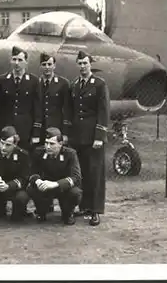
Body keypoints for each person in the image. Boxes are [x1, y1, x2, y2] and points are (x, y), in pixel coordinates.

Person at [69, 50, 110, 226]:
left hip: (94, 136)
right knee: (82, 173)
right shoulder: (75, 85)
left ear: (90, 64)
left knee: (95, 174)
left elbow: (103, 111)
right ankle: (84, 206)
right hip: (78, 137)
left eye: (85, 63)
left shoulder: (99, 84)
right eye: (80, 63)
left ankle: (95, 210)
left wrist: (99, 135)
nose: (83, 66)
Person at [27, 127, 82, 225]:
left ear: (60, 144)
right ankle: (41, 212)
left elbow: (76, 177)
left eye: (52, 144)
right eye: (46, 143)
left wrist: (56, 184)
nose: (48, 147)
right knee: (32, 188)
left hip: (62, 187)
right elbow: (32, 172)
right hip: (45, 187)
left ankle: (68, 214)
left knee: (75, 192)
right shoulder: (39, 152)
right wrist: (38, 181)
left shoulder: (70, 154)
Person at [0, 45, 42, 152]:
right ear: (10, 61)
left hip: (25, 131)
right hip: (6, 129)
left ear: (26, 62)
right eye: (14, 59)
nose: (17, 63)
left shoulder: (34, 81)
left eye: (20, 60)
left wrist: (36, 133)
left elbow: (37, 108)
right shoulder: (2, 80)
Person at [37, 53, 72, 145]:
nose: (47, 67)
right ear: (40, 66)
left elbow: (67, 109)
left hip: (57, 128)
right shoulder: (36, 83)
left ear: (54, 66)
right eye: (44, 64)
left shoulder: (63, 83)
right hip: (40, 129)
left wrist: (65, 133)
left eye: (49, 64)